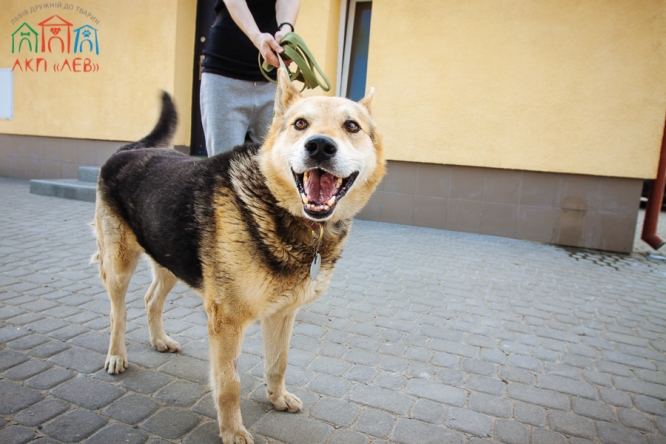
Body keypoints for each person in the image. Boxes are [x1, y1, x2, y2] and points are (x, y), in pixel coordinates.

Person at [200, 0, 300, 156]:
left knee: (273, 165)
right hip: (224, 74)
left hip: (273, 79)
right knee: (223, 168)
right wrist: (257, 37)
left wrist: (286, 29)